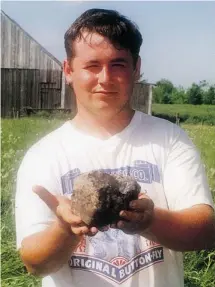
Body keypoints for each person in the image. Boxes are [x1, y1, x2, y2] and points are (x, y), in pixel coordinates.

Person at [15, 8, 215, 287]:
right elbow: (34, 263)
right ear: (69, 71)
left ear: (136, 69)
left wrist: (149, 221)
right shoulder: (43, 155)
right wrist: (66, 228)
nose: (105, 78)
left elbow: (206, 232)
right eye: (92, 65)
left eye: (118, 64)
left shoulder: (171, 140)